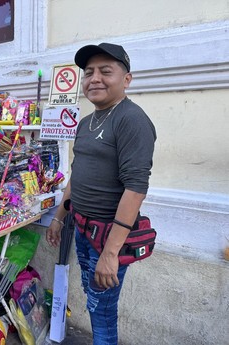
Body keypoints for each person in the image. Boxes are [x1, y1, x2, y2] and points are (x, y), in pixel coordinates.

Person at [46, 43, 156, 344]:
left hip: (107, 239)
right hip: (81, 230)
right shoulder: (85, 122)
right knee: (94, 300)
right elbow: (76, 173)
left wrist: (110, 254)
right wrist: (59, 217)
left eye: (106, 71)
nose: (95, 78)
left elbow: (136, 188)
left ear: (126, 79)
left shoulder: (131, 119)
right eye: (89, 72)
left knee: (102, 311)